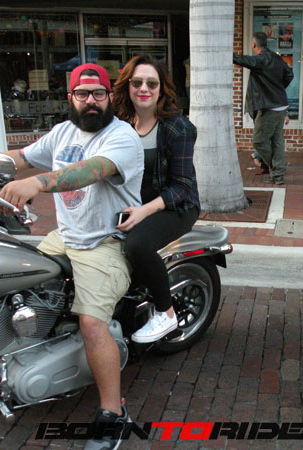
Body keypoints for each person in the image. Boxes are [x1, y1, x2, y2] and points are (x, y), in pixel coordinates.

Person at [0, 63, 143, 449]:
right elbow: (20, 157)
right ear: (70, 97)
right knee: (7, 275)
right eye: (82, 94)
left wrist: (38, 183)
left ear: (110, 97)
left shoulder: (122, 136)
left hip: (105, 243)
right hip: (65, 237)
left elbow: (93, 170)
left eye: (99, 93)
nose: (91, 101)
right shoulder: (62, 132)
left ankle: (113, 413)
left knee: (92, 325)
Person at [112, 54, 200, 344]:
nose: (144, 88)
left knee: (137, 244)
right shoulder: (121, 125)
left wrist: (144, 211)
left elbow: (182, 186)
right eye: (137, 82)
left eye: (152, 83)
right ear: (127, 86)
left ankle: (166, 312)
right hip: (137, 203)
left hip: (175, 206)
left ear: (162, 89)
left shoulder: (178, 128)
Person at [233, 31, 294, 185]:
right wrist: (278, 88)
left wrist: (227, 54)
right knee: (277, 141)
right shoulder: (276, 58)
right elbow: (289, 74)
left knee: (258, 141)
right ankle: (277, 175)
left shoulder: (262, 59)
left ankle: (277, 169)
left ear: (254, 44)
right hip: (281, 105)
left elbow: (246, 60)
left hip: (269, 107)